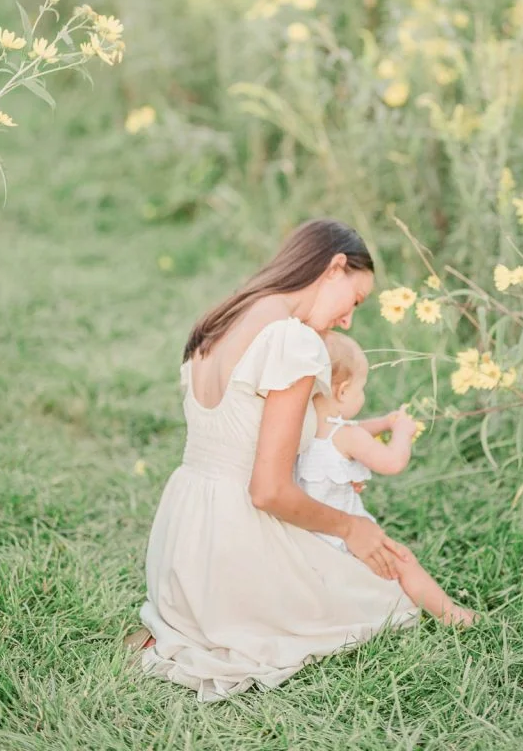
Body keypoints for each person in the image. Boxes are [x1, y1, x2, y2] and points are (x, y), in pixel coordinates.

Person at [126, 219, 423, 702]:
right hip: (236, 541)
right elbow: (267, 490)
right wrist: (351, 528)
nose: (349, 321)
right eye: (357, 300)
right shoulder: (292, 340)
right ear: (335, 268)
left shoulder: (221, 321)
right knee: (389, 600)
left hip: (183, 539)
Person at [296, 331, 478, 627]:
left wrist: (384, 423)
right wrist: (402, 434)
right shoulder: (347, 436)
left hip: (310, 538)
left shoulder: (300, 432)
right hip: (346, 538)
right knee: (404, 563)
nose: (362, 396)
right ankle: (453, 616)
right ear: (342, 392)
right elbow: (392, 462)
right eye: (361, 389)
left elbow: (355, 426)